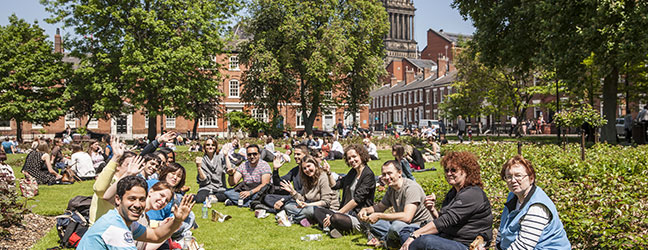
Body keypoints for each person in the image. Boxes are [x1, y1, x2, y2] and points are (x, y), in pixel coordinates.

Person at [400, 151, 493, 250]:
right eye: (446, 170)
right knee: (406, 231)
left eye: (453, 170)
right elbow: (443, 220)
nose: (449, 173)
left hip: (465, 244)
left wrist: (415, 235)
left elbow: (446, 221)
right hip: (448, 237)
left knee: (425, 241)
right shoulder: (453, 192)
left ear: (466, 171)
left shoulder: (472, 194)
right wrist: (432, 209)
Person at [77, 175, 195, 250]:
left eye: (142, 199)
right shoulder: (115, 228)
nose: (138, 205)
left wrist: (177, 220)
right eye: (132, 199)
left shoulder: (125, 221)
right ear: (118, 199)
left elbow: (156, 236)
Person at [496, 155, 571, 250]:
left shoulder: (537, 206)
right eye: (509, 177)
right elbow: (502, 229)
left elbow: (523, 246)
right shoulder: (512, 197)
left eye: (518, 176)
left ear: (531, 178)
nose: (513, 180)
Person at [359, 160, 432, 247]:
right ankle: (387, 239)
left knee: (395, 226)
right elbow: (380, 207)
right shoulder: (391, 188)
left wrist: (379, 216)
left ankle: (384, 241)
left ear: (399, 173)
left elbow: (407, 217)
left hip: (419, 226)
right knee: (372, 222)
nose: (386, 177)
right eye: (384, 174)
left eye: (390, 173)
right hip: (403, 224)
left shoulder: (411, 188)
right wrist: (366, 210)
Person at [312, 144, 376, 237]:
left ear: (361, 156)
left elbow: (357, 200)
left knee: (335, 217)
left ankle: (337, 228)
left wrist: (338, 212)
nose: (352, 160)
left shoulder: (368, 175)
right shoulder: (353, 172)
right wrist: (328, 172)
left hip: (358, 216)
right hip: (345, 213)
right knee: (318, 211)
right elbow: (335, 185)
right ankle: (337, 228)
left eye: (354, 156)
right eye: (349, 158)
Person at [89, 136, 137, 224]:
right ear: (118, 166)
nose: (132, 168)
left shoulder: (132, 183)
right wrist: (116, 157)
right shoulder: (111, 180)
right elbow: (100, 190)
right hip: (101, 230)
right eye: (128, 165)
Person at [279, 156, 340, 225]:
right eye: (304, 168)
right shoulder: (307, 179)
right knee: (288, 206)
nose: (307, 169)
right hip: (312, 206)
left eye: (309, 166)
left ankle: (292, 219)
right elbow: (303, 198)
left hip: (327, 209)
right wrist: (292, 192)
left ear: (315, 164)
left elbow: (326, 202)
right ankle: (307, 219)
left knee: (310, 210)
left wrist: (308, 205)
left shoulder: (323, 177)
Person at [264, 144, 309, 212]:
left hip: (304, 198)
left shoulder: (309, 171)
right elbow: (279, 183)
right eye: (295, 154)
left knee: (290, 203)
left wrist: (284, 200)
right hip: (293, 196)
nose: (295, 156)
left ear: (306, 154)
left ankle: (282, 208)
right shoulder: (295, 170)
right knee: (268, 197)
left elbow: (304, 192)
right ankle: (284, 208)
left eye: (298, 154)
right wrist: (275, 170)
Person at [194, 138, 232, 203]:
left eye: (213, 145)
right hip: (206, 187)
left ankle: (212, 197)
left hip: (219, 188)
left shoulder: (220, 158)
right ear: (204, 147)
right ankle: (212, 197)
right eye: (208, 145)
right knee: (199, 199)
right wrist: (199, 167)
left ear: (216, 147)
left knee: (229, 194)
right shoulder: (201, 160)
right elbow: (203, 180)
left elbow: (229, 169)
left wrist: (226, 155)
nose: (210, 147)